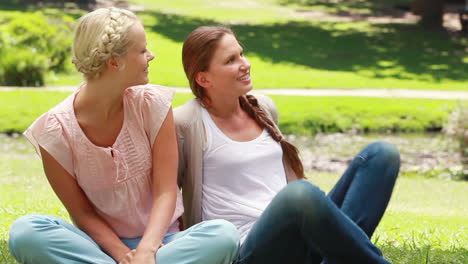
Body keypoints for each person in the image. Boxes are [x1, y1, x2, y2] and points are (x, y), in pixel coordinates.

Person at [8, 9, 239, 264]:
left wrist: (147, 250)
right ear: (114, 62)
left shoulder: (152, 105)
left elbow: (165, 191)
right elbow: (82, 214)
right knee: (25, 232)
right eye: (142, 51)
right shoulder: (54, 132)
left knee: (223, 235)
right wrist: (121, 255)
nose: (151, 56)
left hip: (162, 245)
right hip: (98, 249)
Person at [175, 26, 400, 264]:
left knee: (381, 155)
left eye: (241, 54)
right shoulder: (185, 122)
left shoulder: (262, 107)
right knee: (299, 195)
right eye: (231, 60)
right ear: (203, 78)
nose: (245, 63)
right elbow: (165, 195)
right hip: (248, 251)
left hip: (299, 240)